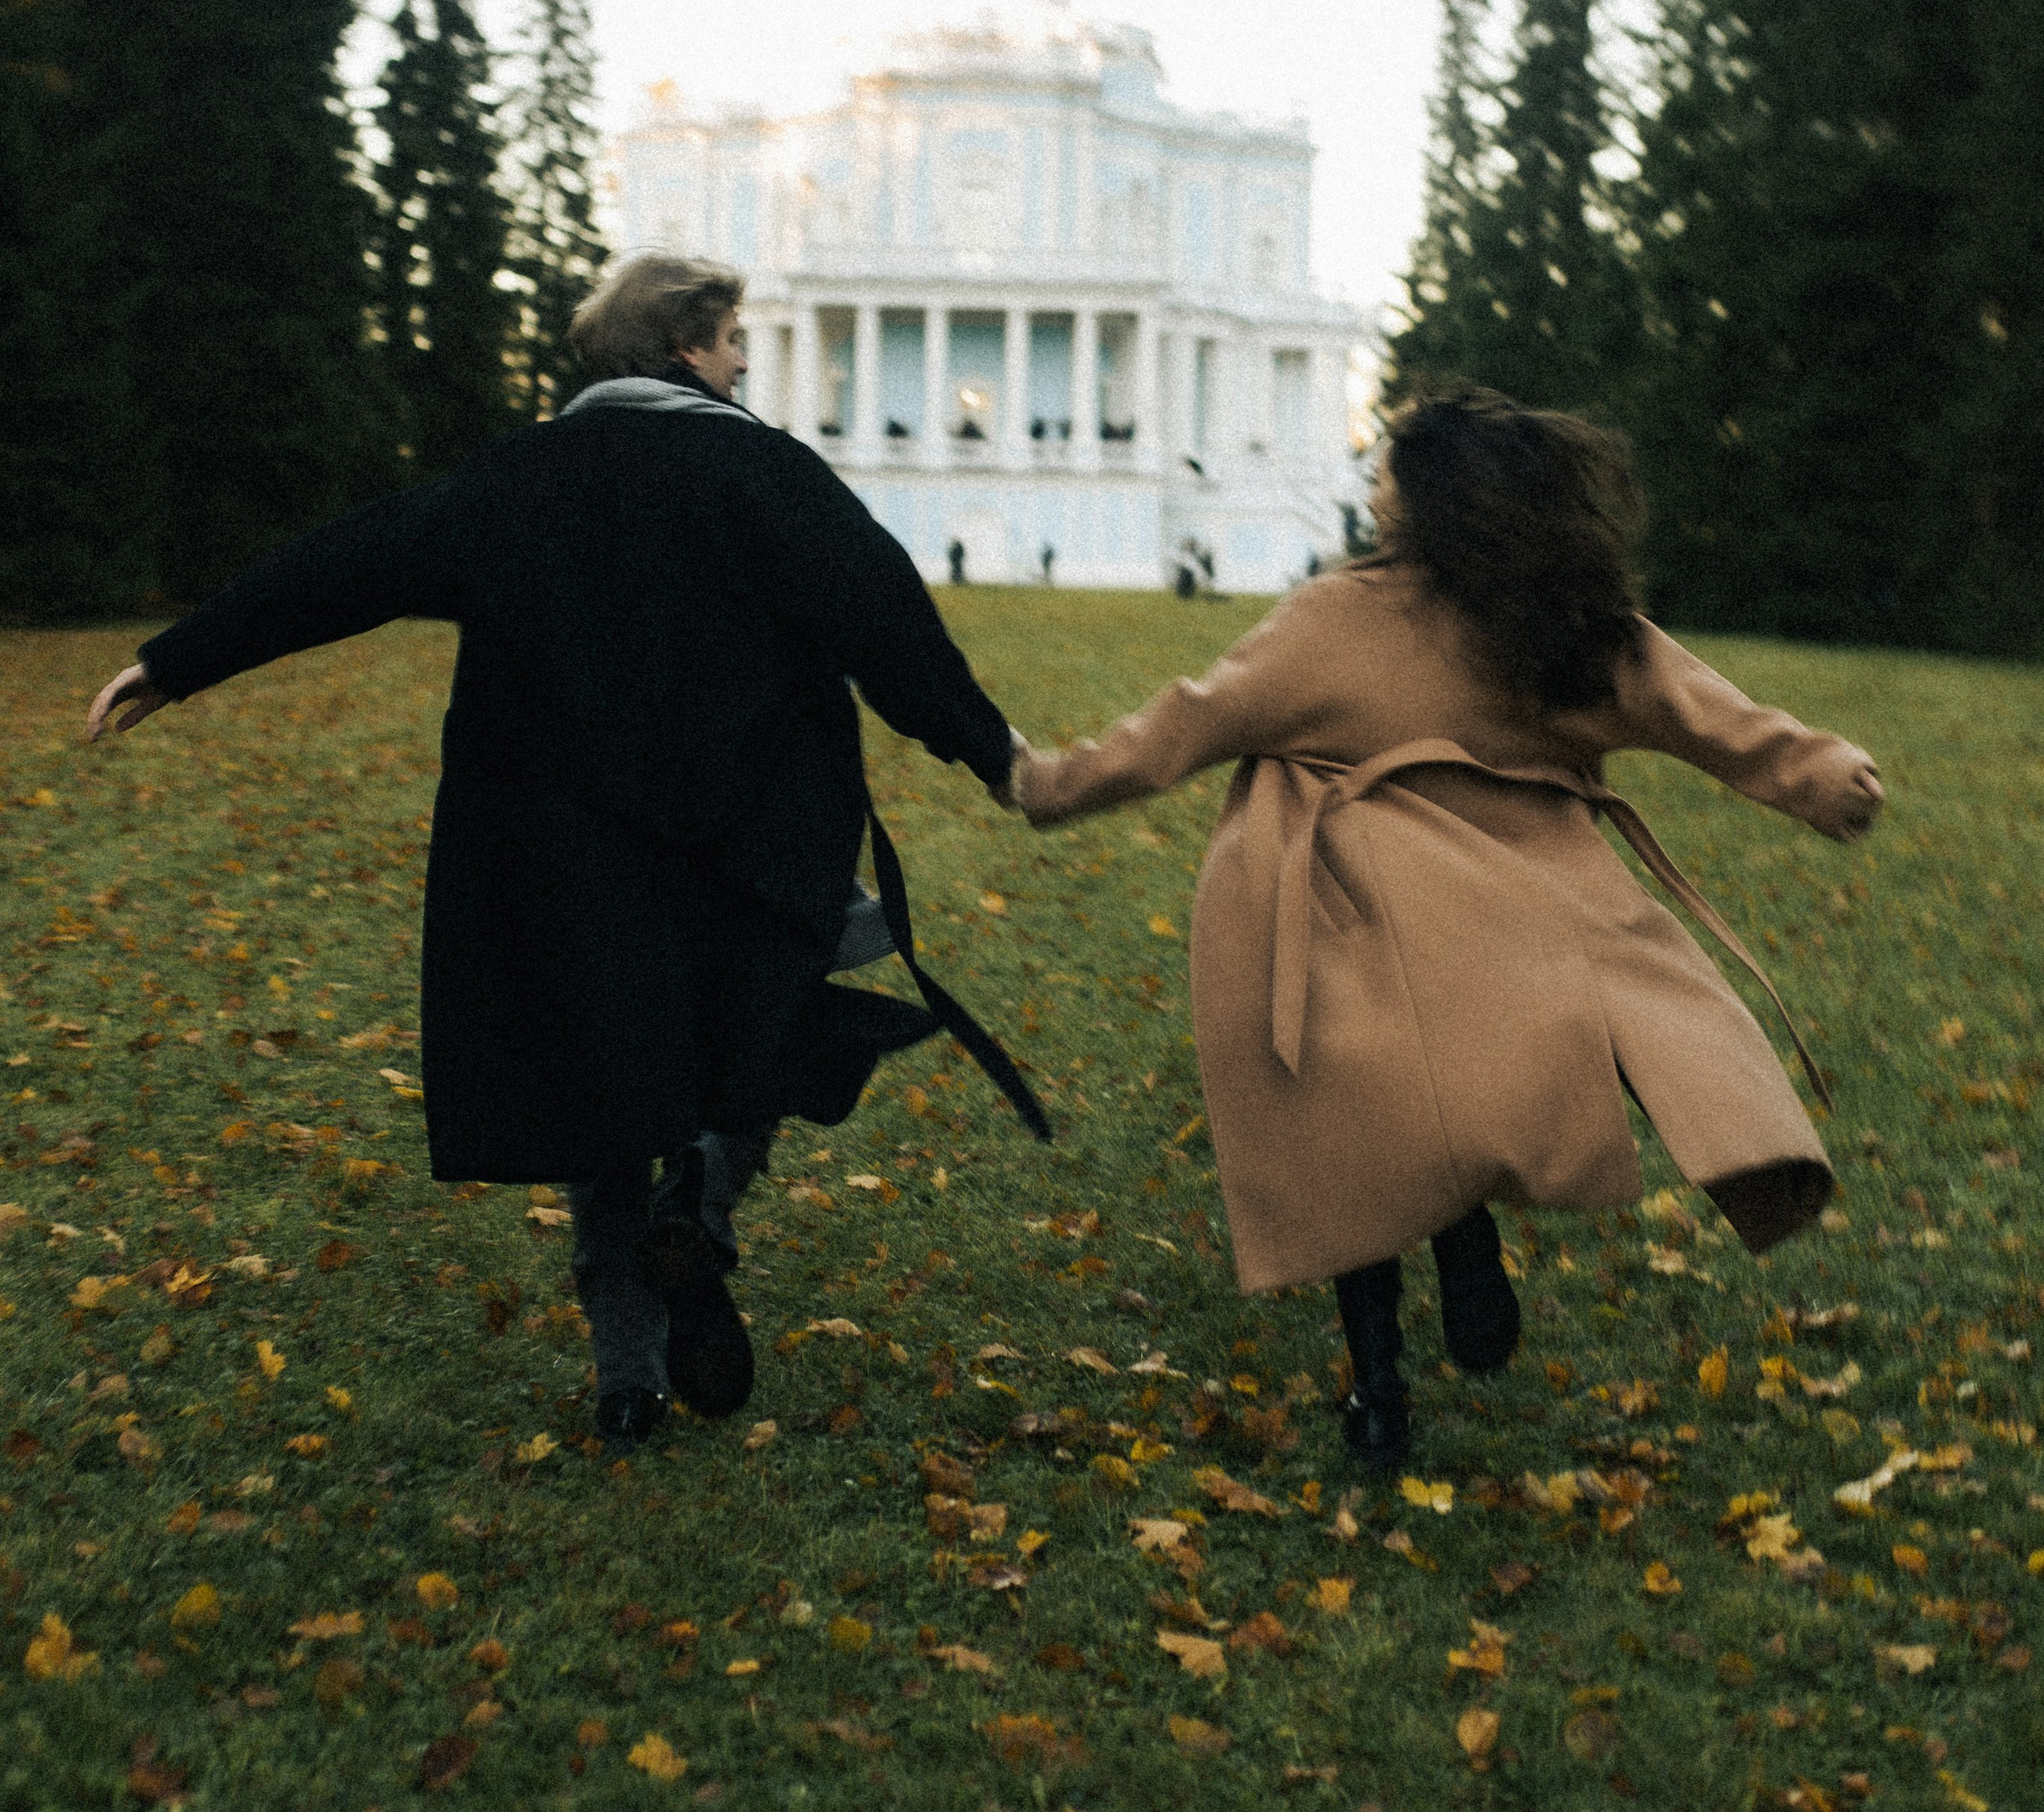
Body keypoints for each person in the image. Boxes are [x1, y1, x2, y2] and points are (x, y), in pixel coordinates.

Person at [88, 253, 1032, 1452]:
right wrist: (995, 755)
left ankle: (627, 1375)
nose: (744, 359)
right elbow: (887, 622)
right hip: (746, 843)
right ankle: (701, 1206)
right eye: (734, 338)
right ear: (689, 348)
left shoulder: (520, 477)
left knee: (603, 1091)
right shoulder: (769, 476)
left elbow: (354, 562)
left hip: (569, 853)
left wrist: (180, 658)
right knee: (761, 1043)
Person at [1012, 384, 1883, 1474]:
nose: (1371, 486)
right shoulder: (1559, 625)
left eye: (1384, 468)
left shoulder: (1338, 618)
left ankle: (1379, 1381)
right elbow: (1703, 710)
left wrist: (1049, 784)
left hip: (1356, 925)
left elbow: (1190, 721)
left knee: (1341, 1136)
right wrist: (1825, 776)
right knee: (1415, 1101)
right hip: (1521, 921)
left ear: (1427, 495)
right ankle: (1460, 1231)